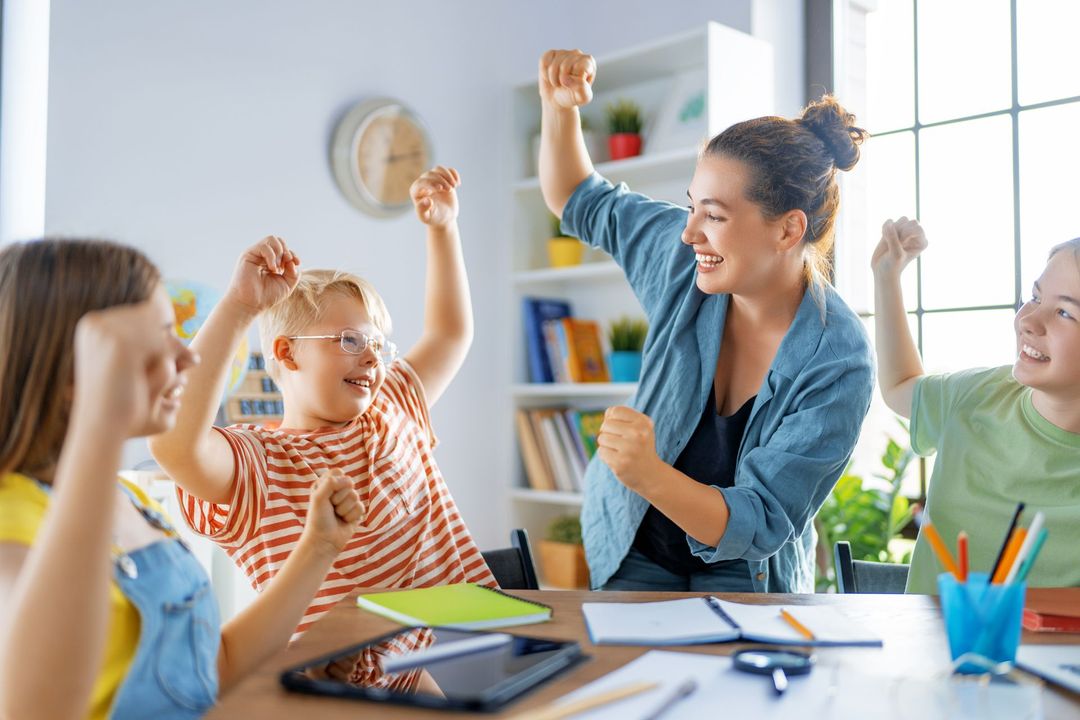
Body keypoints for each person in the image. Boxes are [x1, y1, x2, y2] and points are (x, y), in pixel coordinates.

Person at [537, 49, 874, 593]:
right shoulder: (681, 260)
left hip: (750, 571)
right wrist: (559, 109)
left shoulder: (839, 358)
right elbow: (578, 197)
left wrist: (648, 472)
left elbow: (762, 521)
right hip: (634, 542)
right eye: (692, 206)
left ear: (789, 230)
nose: (691, 232)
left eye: (714, 215)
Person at [0, 239, 363, 720]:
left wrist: (318, 546)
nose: (186, 357)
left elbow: (217, 666)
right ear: (76, 361)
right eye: (158, 337)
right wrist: (101, 422)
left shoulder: (125, 500)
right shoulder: (11, 521)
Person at [149, 166, 495, 644]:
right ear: (288, 353)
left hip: (474, 640)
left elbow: (450, 333)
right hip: (356, 687)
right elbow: (176, 447)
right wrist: (238, 306)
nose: (373, 356)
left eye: (379, 345)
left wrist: (443, 229)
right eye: (350, 340)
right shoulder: (261, 465)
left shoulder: (392, 405)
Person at [872, 219, 1080, 593]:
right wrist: (888, 278)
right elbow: (900, 386)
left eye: (1065, 312)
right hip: (926, 647)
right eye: (1034, 297)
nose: (1029, 321)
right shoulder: (977, 396)